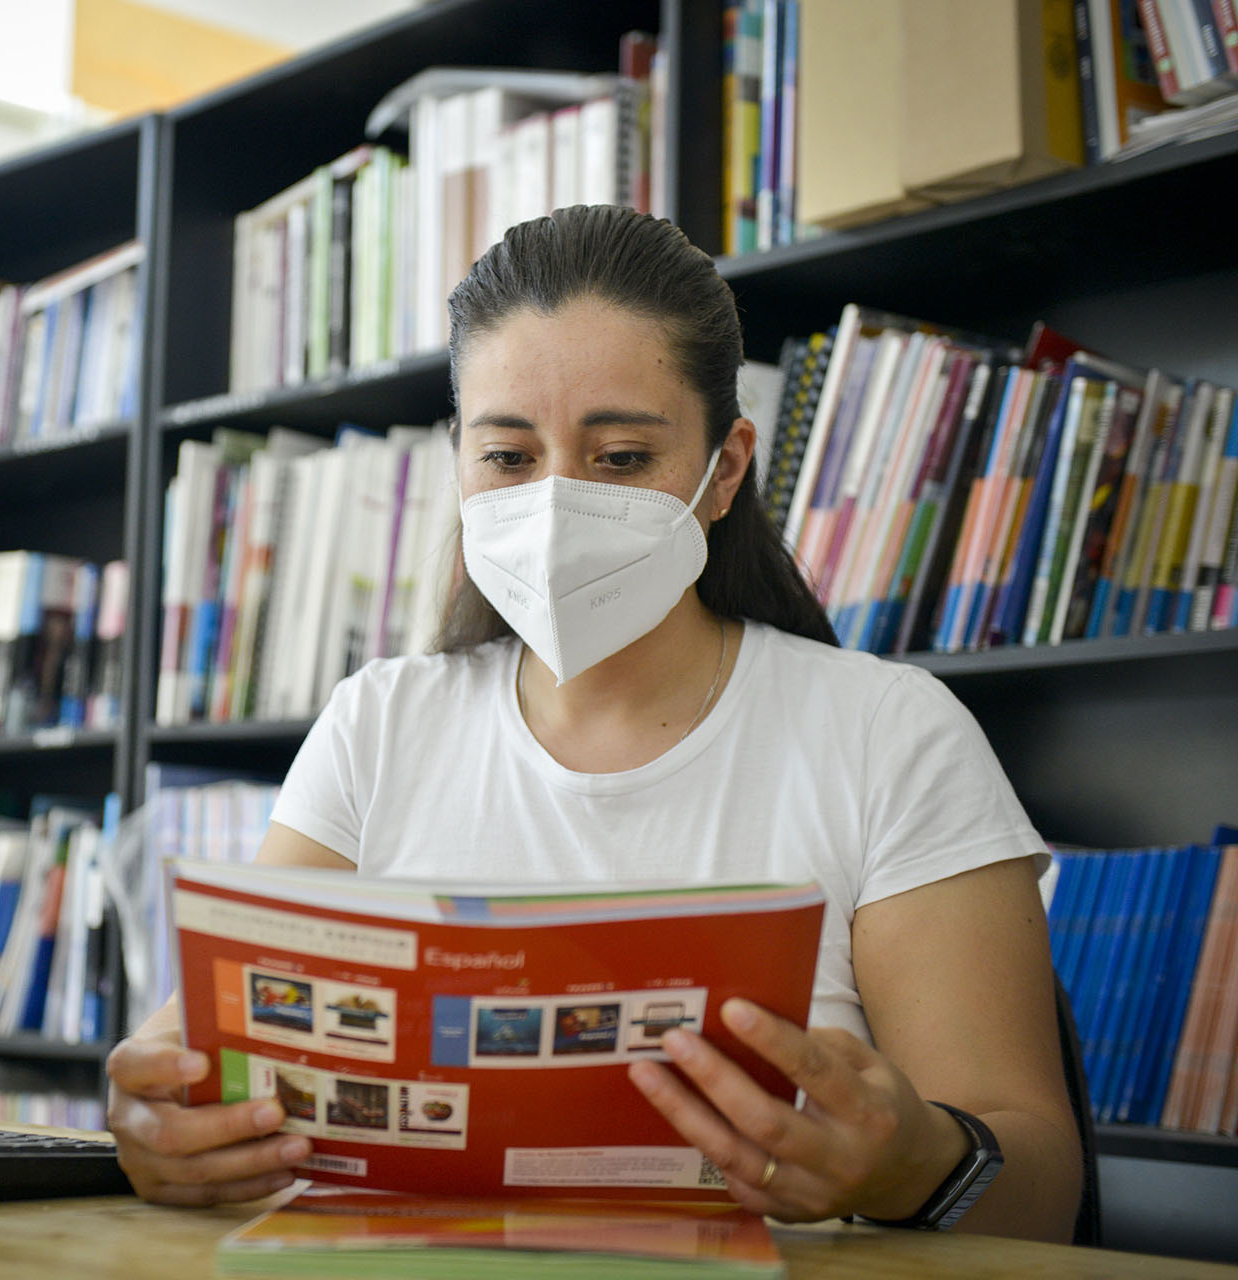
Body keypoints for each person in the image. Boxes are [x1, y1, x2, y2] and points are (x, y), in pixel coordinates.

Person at [105, 204, 1082, 1241]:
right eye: (508, 457)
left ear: (726, 469)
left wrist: (910, 1163)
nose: (556, 507)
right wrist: (162, 1115)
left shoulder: (889, 735)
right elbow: (202, 1052)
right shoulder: (378, 724)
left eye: (620, 457)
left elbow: (1042, 1188)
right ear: (458, 460)